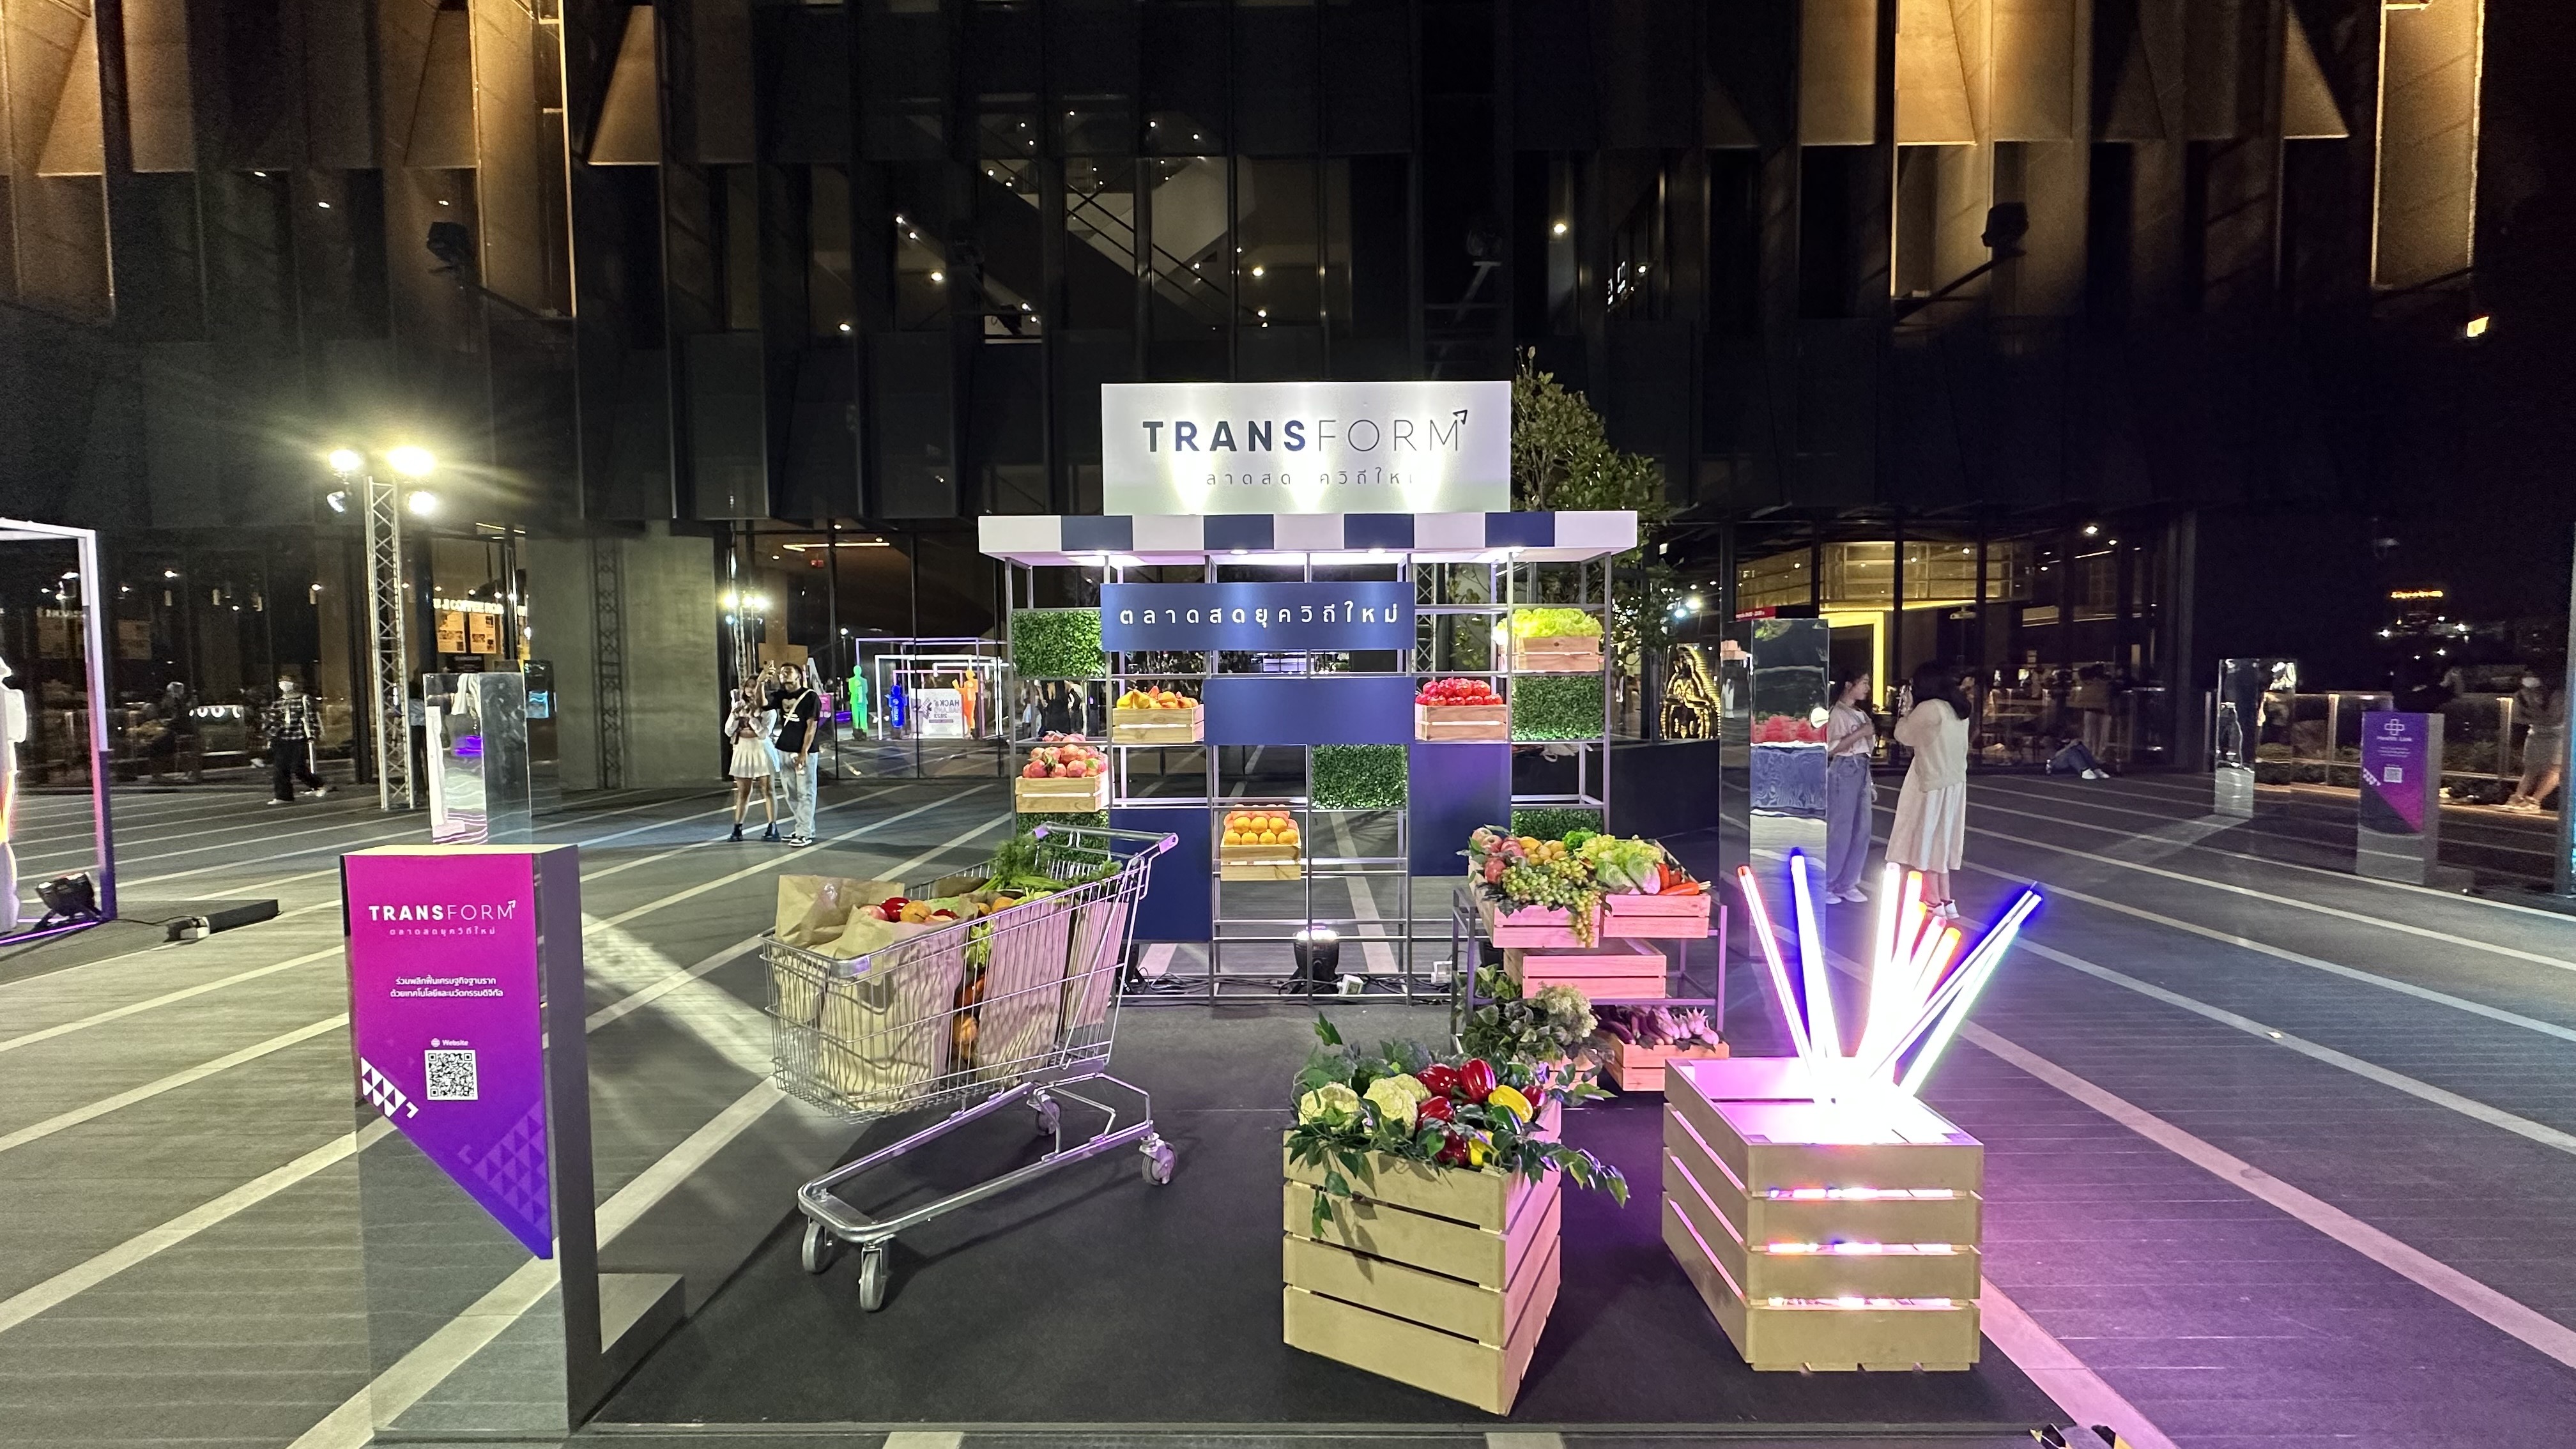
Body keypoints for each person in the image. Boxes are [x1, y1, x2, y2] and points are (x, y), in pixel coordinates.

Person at [1887, 660, 1971, 919]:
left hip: (1930, 781)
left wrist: (1906, 712)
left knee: (1927, 839)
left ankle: (1933, 900)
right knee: (1943, 840)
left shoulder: (1929, 709)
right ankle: (1946, 898)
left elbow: (1904, 735)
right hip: (1954, 781)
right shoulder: (1957, 707)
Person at [1822, 672, 1877, 905]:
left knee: (1862, 829)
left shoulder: (1859, 713)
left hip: (1861, 768)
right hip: (1844, 767)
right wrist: (1860, 734)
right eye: (1863, 682)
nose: (1867, 687)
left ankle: (1847, 882)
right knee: (1841, 830)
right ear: (1849, 684)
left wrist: (1870, 782)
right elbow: (1831, 748)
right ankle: (1828, 882)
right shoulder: (1836, 713)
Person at [724, 678, 780, 841]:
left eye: (754, 686)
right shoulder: (738, 706)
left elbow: (764, 734)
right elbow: (728, 731)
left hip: (762, 750)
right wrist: (735, 716)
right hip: (742, 749)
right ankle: (737, 828)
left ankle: (772, 827)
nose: (750, 689)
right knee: (743, 792)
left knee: (768, 790)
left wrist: (752, 719)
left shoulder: (768, 710)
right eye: (747, 686)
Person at [774, 664, 823, 847]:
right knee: (791, 794)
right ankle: (805, 828)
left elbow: (812, 726)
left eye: (788, 671)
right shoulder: (780, 696)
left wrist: (804, 752)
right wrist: (761, 681)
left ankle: (804, 833)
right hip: (784, 749)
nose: (784, 674)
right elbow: (761, 705)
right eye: (781, 672)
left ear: (799, 676)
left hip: (803, 752)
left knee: (805, 792)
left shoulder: (810, 697)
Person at [261, 677, 329, 805]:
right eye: (281, 683)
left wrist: (312, 735)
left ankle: (318, 785)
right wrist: (270, 736)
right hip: (282, 739)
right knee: (280, 769)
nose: (283, 686)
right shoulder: (279, 702)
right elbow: (272, 720)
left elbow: (310, 717)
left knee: (298, 767)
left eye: (286, 683)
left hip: (298, 738)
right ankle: (283, 796)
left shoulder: (304, 699)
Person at [2508, 670, 2564, 813]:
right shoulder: (2522, 694)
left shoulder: (2558, 694)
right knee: (2531, 768)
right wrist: (2538, 715)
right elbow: (2519, 717)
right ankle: (2518, 799)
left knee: (2554, 769)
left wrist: (2536, 715)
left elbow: (2555, 717)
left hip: (2560, 733)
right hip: (2536, 732)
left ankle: (2535, 801)